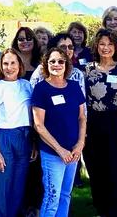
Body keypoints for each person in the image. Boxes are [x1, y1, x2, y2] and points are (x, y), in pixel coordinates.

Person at [31, 47, 86, 217]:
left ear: (66, 64)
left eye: (60, 61)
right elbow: (38, 125)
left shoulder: (74, 87)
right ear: (46, 65)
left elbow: (82, 118)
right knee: (52, 197)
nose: (56, 64)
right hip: (53, 153)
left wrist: (80, 144)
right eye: (52, 61)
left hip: (73, 152)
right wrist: (59, 150)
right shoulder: (41, 89)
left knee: (65, 195)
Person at [82, 29, 117, 217]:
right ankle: (101, 209)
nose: (106, 48)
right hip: (93, 124)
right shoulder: (86, 70)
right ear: (96, 46)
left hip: (116, 123)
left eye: (110, 44)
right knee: (96, 168)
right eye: (102, 44)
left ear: (116, 47)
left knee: (116, 169)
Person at [0, 48, 35, 217]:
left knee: (18, 183)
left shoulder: (27, 85)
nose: (9, 67)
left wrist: (34, 143)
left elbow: (32, 116)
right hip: (2, 137)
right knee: (0, 185)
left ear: (19, 65)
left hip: (25, 137)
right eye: (5, 63)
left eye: (13, 63)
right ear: (1, 65)